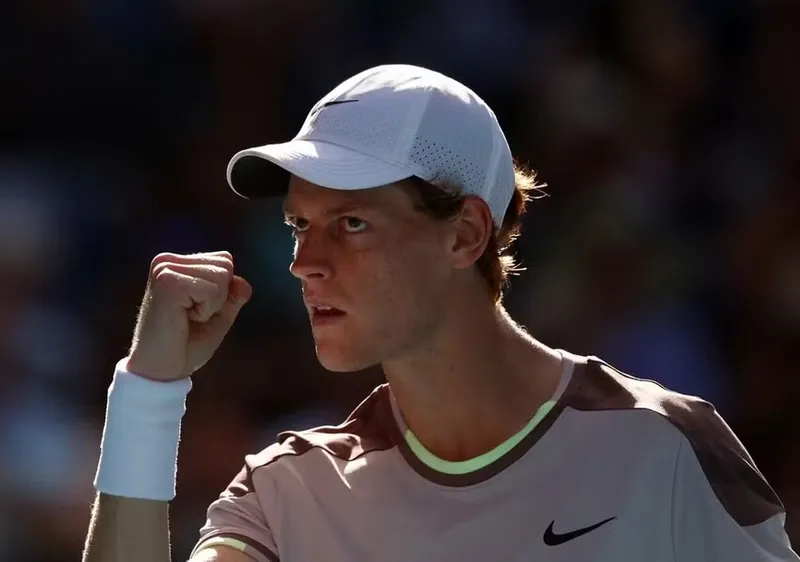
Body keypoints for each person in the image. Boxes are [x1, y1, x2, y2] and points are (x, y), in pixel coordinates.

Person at [82, 64, 798, 562]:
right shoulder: (286, 492)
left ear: (465, 234)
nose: (306, 262)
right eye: (300, 226)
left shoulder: (665, 448)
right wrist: (147, 393)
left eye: (351, 223)